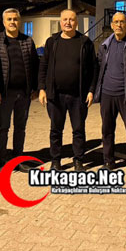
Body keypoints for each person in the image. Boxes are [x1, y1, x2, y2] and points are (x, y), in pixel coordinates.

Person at [38, 9, 98, 171]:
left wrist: (91, 90)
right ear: (60, 22)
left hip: (78, 96)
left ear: (76, 22)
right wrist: (42, 88)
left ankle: (78, 160)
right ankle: (55, 160)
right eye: (65, 19)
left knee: (78, 130)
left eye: (71, 20)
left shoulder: (85, 42)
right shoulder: (52, 42)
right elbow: (43, 66)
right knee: (55, 130)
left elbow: (94, 69)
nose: (68, 22)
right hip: (55, 95)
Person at [94, 12, 126, 176]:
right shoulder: (104, 45)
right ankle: (108, 161)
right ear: (112, 25)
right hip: (107, 94)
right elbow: (99, 68)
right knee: (107, 130)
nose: (119, 25)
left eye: (122, 22)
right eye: (116, 22)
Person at [0, 8, 39, 175]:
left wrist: (35, 88)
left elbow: (35, 66)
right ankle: (1, 162)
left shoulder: (27, 41)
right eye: (9, 19)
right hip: (4, 94)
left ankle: (18, 159)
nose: (12, 22)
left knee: (20, 128)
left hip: (24, 94)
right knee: (3, 128)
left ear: (20, 21)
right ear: (4, 22)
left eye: (15, 19)